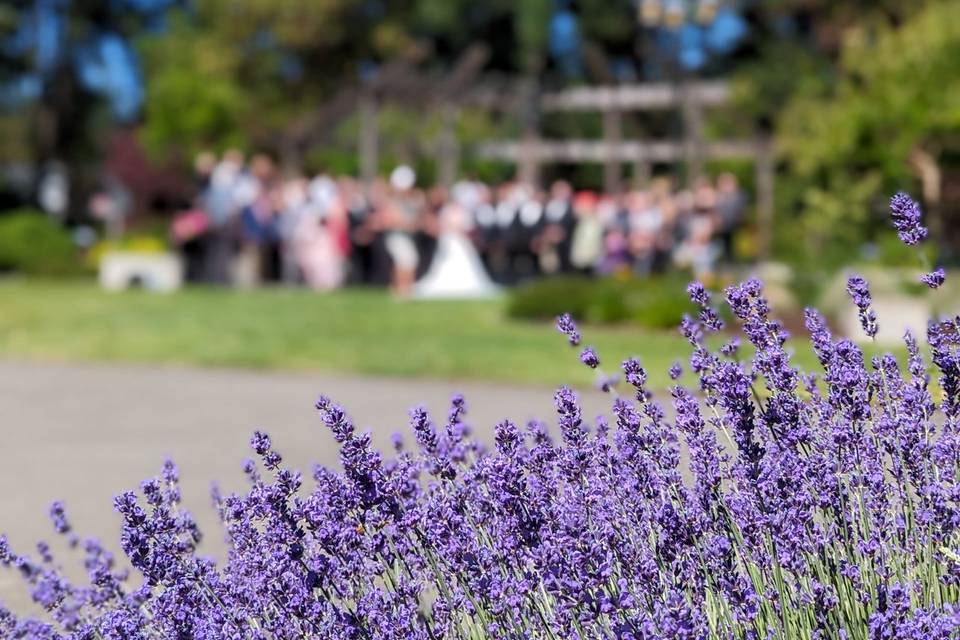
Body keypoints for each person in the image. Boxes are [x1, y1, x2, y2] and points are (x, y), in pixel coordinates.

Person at [414, 200, 499, 299]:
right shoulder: (446, 210)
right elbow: (441, 225)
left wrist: (458, 230)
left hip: (460, 240)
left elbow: (468, 226)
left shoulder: (463, 212)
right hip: (448, 239)